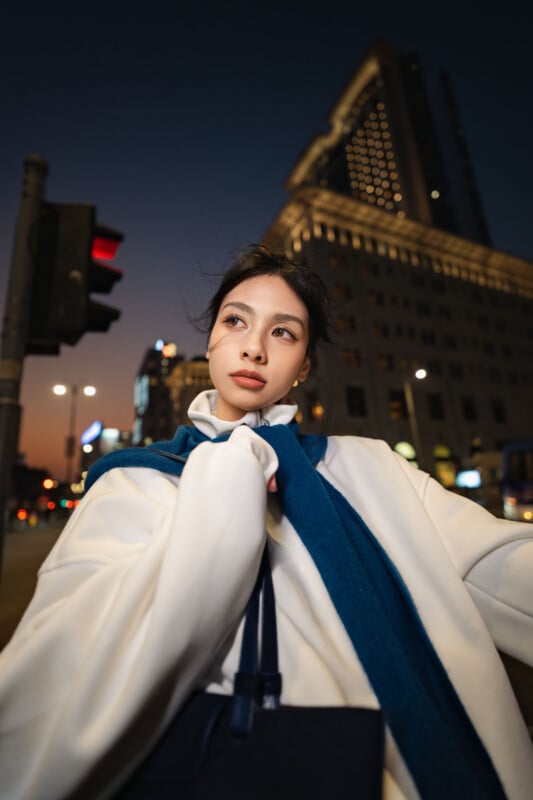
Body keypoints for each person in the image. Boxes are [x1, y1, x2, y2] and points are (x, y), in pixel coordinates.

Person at [0, 244, 532, 799]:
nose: (253, 347)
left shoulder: (368, 466)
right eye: (236, 321)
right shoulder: (131, 482)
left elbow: (499, 566)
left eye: (284, 332)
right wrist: (233, 473)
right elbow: (58, 672)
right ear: (210, 339)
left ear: (303, 366)